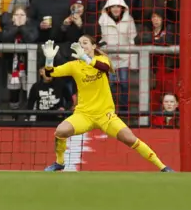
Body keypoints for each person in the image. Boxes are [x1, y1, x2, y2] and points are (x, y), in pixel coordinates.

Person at [40, 36, 174, 172]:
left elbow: (104, 67)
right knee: (61, 131)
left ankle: (162, 167)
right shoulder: (74, 66)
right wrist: (49, 60)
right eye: (80, 44)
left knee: (130, 139)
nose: (82, 46)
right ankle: (60, 163)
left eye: (85, 43)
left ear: (93, 46)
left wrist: (86, 59)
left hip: (106, 116)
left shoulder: (102, 60)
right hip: (84, 115)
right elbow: (50, 73)